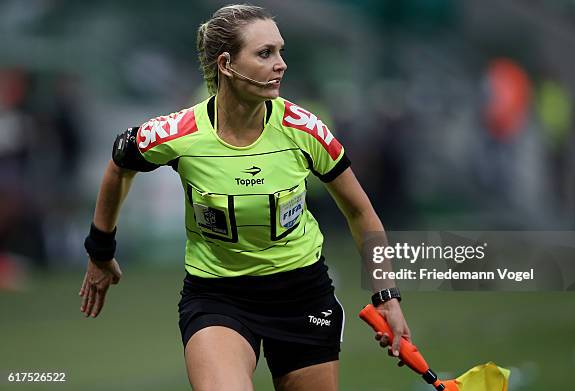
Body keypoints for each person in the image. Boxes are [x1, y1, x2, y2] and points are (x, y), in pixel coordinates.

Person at [79, 4, 410, 390]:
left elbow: (360, 212)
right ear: (226, 63)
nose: (281, 64)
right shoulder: (178, 133)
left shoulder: (304, 130)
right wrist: (100, 251)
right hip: (218, 296)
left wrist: (387, 296)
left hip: (302, 294)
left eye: (281, 51)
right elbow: (120, 164)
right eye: (265, 53)